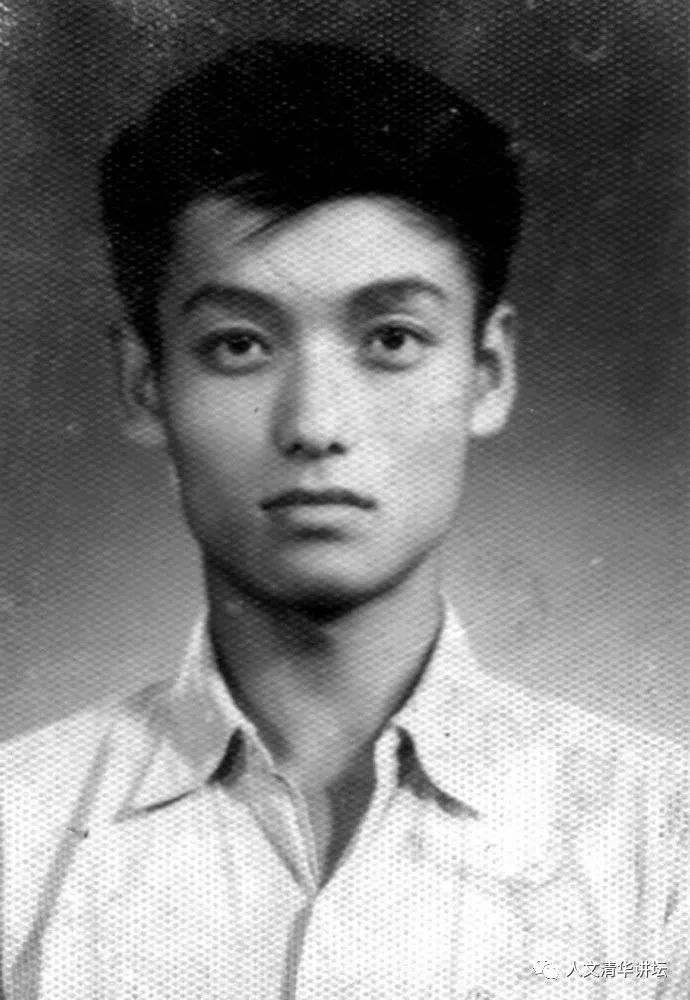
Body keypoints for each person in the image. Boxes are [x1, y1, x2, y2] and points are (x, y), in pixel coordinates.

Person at [0, 39, 687, 1000]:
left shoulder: (662, 846)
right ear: (145, 383)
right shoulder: (18, 837)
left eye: (391, 339)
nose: (316, 425)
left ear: (487, 373)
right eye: (239, 345)